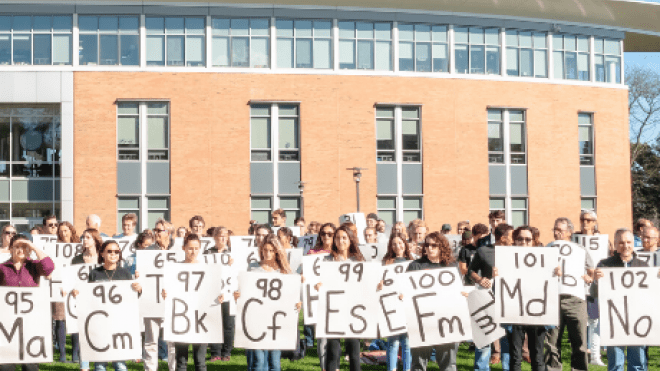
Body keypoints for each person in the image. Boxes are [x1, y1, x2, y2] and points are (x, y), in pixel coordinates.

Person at [73, 240, 142, 371]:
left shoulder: (125, 274)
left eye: (116, 251)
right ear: (102, 254)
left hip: (119, 324)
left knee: (120, 364)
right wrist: (79, 294)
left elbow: (131, 299)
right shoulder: (95, 273)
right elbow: (90, 297)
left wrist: (138, 290)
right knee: (99, 364)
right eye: (109, 251)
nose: (113, 254)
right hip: (100, 324)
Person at [235, 234, 299, 371]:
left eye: (271, 250)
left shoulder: (284, 271)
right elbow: (244, 291)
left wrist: (297, 304)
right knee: (258, 361)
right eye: (265, 250)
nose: (267, 254)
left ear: (277, 251)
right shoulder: (253, 267)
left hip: (276, 322)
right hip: (255, 320)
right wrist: (238, 295)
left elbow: (291, 296)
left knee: (275, 362)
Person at [162, 234, 223, 371]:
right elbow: (170, 292)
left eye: (196, 248)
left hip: (201, 320)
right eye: (190, 248)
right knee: (181, 361)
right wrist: (165, 294)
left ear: (200, 249)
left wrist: (218, 298)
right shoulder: (175, 270)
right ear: (183, 248)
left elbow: (213, 292)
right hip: (181, 319)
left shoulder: (207, 270)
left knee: (200, 361)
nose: (193, 251)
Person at [592, 228, 649, 371]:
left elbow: (651, 295)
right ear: (616, 244)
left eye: (629, 242)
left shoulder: (644, 266)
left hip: (638, 320)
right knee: (616, 363)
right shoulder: (604, 265)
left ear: (633, 244)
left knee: (638, 363)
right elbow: (593, 294)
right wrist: (596, 281)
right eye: (621, 242)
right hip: (615, 320)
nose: (626, 246)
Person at [505, 226, 558, 371]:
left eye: (528, 239)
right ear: (514, 241)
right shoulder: (507, 259)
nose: (523, 242)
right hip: (515, 312)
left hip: (537, 312)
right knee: (515, 356)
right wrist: (497, 274)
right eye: (520, 239)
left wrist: (555, 273)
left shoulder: (544, 259)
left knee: (537, 356)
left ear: (534, 241)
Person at [405, 231, 459, 371]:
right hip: (422, 321)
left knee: (448, 365)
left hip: (446, 321)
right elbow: (407, 290)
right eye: (427, 245)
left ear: (442, 247)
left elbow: (457, 293)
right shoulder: (415, 265)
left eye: (434, 245)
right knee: (418, 365)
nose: (429, 248)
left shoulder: (451, 266)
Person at [545, 217, 593, 371]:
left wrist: (589, 278)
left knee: (579, 341)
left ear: (570, 232)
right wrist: (550, 271)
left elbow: (591, 273)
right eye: (555, 229)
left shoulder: (580, 250)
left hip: (576, 300)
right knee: (551, 342)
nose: (557, 233)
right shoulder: (548, 247)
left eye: (560, 230)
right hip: (553, 299)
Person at [315, 225, 365, 371]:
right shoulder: (327, 260)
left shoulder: (359, 260)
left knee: (354, 353)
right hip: (334, 310)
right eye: (337, 237)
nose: (340, 241)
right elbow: (322, 281)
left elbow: (365, 284)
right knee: (332, 351)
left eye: (344, 237)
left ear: (350, 240)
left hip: (353, 311)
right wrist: (319, 286)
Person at [0, 235, 54, 371]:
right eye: (17, 246)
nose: (20, 250)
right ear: (11, 248)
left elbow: (49, 267)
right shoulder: (2, 268)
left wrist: (34, 247)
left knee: (30, 366)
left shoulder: (35, 266)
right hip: (7, 324)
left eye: (24, 247)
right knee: (6, 366)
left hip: (30, 322)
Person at [468, 224, 513, 371]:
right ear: (504, 238)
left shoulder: (515, 252)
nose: (514, 240)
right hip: (486, 300)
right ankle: (481, 368)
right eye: (511, 237)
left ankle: (507, 368)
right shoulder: (483, 251)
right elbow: (471, 271)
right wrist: (480, 279)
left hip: (509, 300)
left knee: (507, 336)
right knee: (485, 333)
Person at [378, 232, 414, 371]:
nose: (397, 246)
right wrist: (380, 284)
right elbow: (379, 283)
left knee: (406, 342)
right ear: (390, 246)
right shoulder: (386, 263)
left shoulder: (412, 262)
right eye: (394, 244)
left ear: (405, 244)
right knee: (392, 342)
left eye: (400, 243)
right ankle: (391, 368)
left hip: (407, 305)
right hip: (391, 305)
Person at [70, 229, 103, 371]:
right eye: (83, 237)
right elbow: (72, 280)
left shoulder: (102, 259)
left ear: (95, 240)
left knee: (97, 334)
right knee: (84, 334)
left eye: (88, 237)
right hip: (82, 301)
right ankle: (84, 366)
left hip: (99, 300)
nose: (84, 240)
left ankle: (98, 364)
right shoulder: (77, 259)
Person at [575, 210, 605, 366]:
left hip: (594, 287)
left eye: (588, 220)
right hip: (576, 287)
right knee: (579, 322)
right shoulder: (574, 239)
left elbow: (606, 262)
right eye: (582, 219)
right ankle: (581, 353)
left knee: (594, 320)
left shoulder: (602, 241)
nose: (584, 222)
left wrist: (594, 278)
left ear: (594, 222)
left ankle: (595, 355)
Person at [205, 226, 234, 362]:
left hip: (228, 293)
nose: (223, 238)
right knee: (214, 323)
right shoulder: (208, 253)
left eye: (225, 236)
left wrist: (232, 264)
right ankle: (215, 352)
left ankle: (226, 352)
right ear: (215, 237)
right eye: (220, 235)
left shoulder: (232, 254)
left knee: (228, 324)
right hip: (212, 293)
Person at [54, 221, 81, 364]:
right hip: (60, 288)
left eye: (66, 230)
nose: (63, 233)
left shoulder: (79, 248)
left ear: (71, 231)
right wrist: (58, 284)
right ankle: (63, 353)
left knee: (74, 319)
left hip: (75, 288)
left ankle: (75, 353)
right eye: (61, 231)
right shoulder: (55, 248)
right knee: (60, 320)